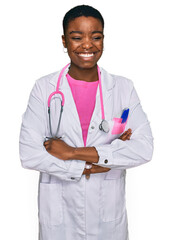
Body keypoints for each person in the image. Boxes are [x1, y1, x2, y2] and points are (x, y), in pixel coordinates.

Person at [19, 5, 153, 240]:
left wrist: (70, 153)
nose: (88, 45)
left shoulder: (123, 88)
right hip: (59, 215)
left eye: (96, 36)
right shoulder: (44, 88)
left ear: (104, 39)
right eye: (77, 37)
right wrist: (92, 165)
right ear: (64, 41)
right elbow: (30, 154)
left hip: (107, 216)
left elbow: (143, 149)